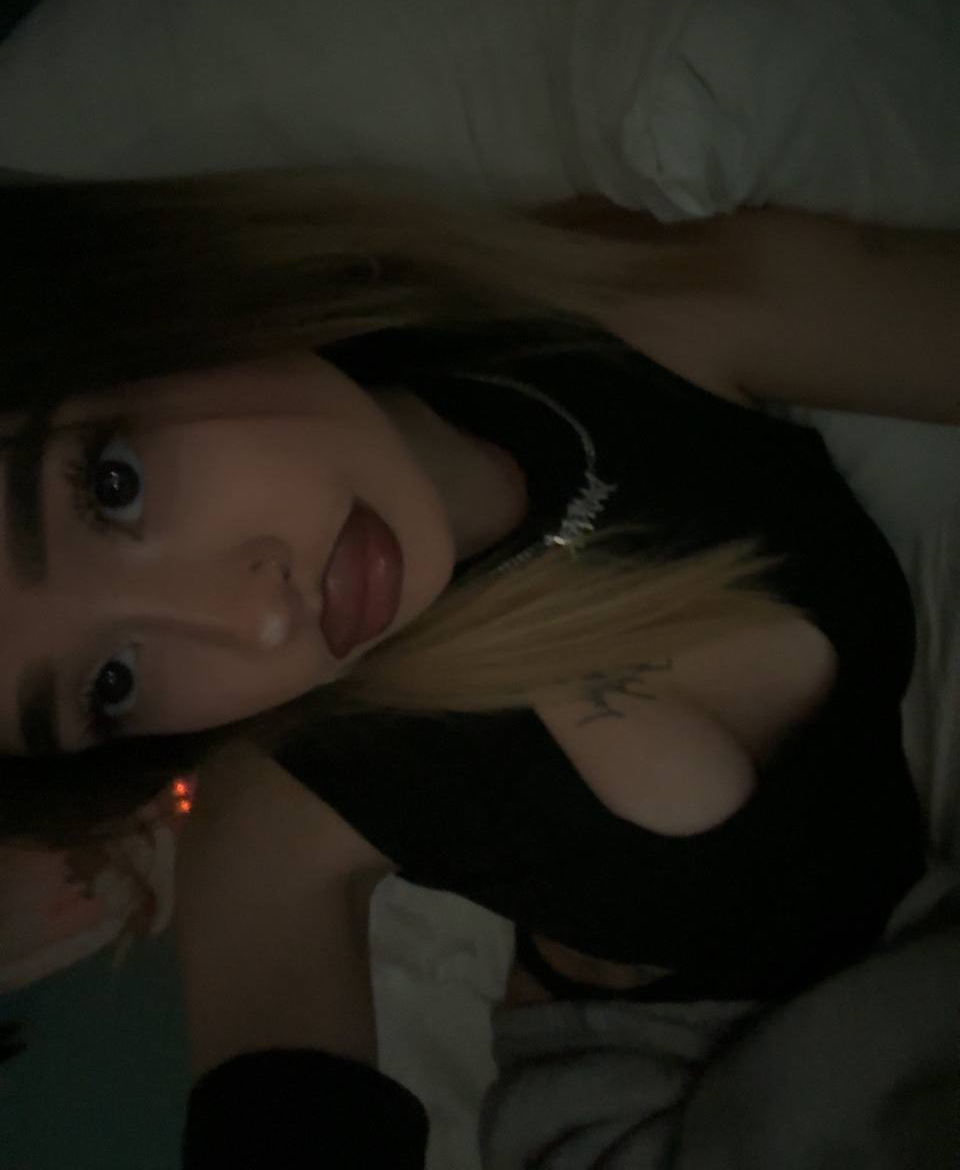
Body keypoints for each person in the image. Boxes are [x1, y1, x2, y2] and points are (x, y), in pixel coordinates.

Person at [0, 167, 956, 1165]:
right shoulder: (279, 809)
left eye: (115, 485)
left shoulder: (607, 311)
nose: (256, 619)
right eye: (110, 684)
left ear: (149, 310)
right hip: (674, 1079)